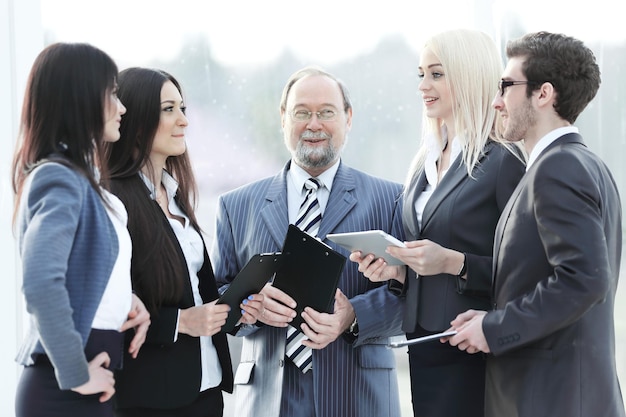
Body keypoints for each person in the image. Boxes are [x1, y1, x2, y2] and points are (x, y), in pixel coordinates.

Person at [447, 31, 625, 417]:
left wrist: (494, 330)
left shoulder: (558, 168)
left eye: (506, 86)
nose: (496, 101)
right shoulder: (586, 165)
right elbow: (539, 276)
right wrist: (489, 319)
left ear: (543, 94)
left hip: (551, 401)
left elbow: (584, 279)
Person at [350, 29, 526, 417]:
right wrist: (395, 270)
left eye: (436, 74)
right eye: (420, 75)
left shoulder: (504, 161)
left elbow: (526, 271)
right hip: (425, 345)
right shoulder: (424, 163)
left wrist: (453, 262)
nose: (423, 86)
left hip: (474, 349)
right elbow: (426, 256)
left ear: (467, 75)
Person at [211, 66, 405, 417]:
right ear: (283, 118)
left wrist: (352, 316)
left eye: (326, 112)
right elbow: (218, 296)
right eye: (302, 112)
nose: (314, 124)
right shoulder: (236, 205)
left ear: (348, 118)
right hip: (268, 398)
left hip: (358, 394)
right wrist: (250, 306)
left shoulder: (390, 199)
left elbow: (409, 296)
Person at [12, 43, 151, 417]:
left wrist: (127, 301)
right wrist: (75, 374)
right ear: (81, 98)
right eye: (112, 94)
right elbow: (41, 281)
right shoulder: (58, 178)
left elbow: (85, 267)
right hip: (65, 387)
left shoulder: (83, 182)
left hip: (87, 380)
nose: (121, 108)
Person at [104, 67, 233, 417]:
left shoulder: (175, 196)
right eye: (168, 109)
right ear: (136, 117)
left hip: (205, 390)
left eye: (183, 109)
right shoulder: (113, 200)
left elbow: (193, 288)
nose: (183, 121)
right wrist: (181, 322)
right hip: (151, 399)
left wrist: (237, 302)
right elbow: (107, 303)